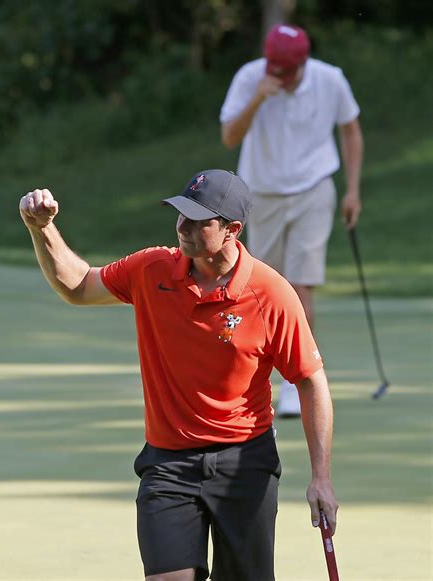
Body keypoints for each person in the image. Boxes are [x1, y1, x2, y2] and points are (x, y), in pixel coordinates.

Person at [19, 169, 338, 581]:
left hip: (245, 463)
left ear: (232, 230)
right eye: (179, 214)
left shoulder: (270, 293)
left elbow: (311, 380)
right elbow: (78, 286)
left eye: (197, 220)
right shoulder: (151, 269)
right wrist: (41, 229)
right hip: (168, 464)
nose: (182, 227)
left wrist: (322, 478)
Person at [220, 23, 364, 417]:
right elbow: (229, 137)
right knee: (260, 287)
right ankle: (256, 377)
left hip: (313, 190)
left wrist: (352, 190)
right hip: (260, 195)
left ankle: (296, 382)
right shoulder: (251, 78)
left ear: (303, 62)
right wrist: (256, 100)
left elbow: (350, 131)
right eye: (274, 69)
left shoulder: (329, 80)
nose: (279, 78)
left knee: (300, 284)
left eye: (286, 72)